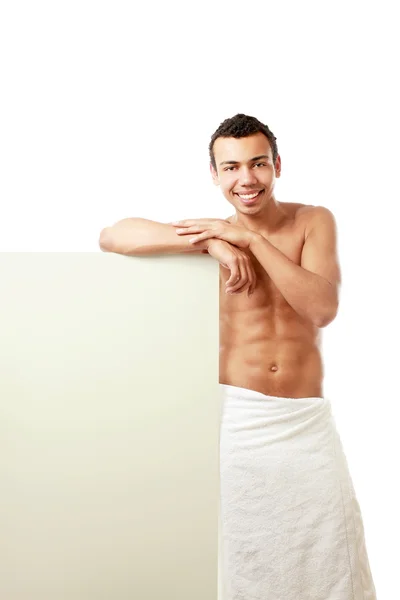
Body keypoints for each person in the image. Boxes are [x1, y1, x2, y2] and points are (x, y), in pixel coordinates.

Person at [99, 114, 377, 599]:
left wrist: (250, 240)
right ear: (215, 175)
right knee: (248, 552)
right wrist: (212, 242)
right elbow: (114, 235)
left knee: (330, 546)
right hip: (237, 421)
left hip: (303, 421)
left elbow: (322, 308)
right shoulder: (214, 233)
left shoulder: (313, 220)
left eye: (257, 164)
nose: (246, 179)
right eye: (230, 168)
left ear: (277, 166)